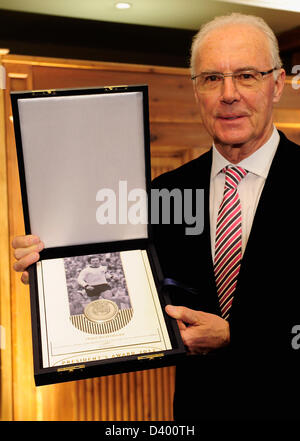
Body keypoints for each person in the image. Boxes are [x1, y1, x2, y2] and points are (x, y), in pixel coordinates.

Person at [12, 12, 300, 420]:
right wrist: (51, 269)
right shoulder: (163, 194)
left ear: (277, 84)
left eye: (247, 76)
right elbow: (124, 274)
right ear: (196, 90)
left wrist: (238, 337)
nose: (229, 94)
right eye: (212, 78)